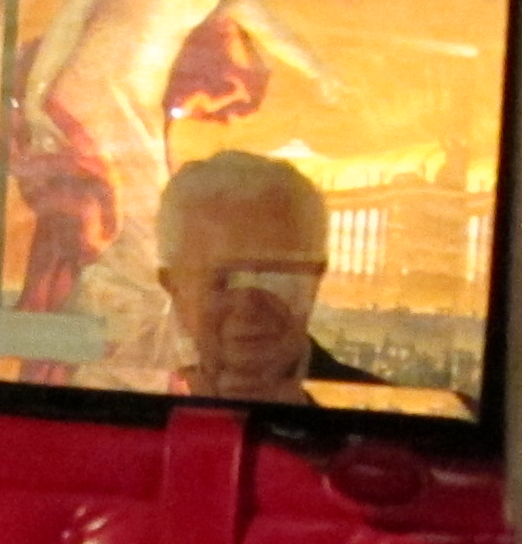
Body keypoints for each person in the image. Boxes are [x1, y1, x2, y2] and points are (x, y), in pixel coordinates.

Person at [10, 0, 331, 382]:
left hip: (140, 105)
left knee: (138, 243)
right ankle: (105, 378)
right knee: (133, 242)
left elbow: (255, 14)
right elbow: (72, 15)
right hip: (94, 93)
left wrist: (319, 69)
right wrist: (33, 97)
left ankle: (111, 376)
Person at [155, 149, 386, 404]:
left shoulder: (383, 416)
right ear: (173, 286)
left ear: (315, 281)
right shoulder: (132, 404)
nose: (247, 309)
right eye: (222, 282)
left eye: (274, 278)